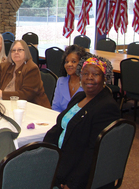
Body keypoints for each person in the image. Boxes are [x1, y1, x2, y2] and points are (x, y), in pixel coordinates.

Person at [44, 55, 120, 189]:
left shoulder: (107, 107)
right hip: (60, 158)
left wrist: (72, 183)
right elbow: (60, 126)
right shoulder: (79, 97)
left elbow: (93, 151)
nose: (89, 77)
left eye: (95, 74)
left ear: (105, 78)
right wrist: (43, 151)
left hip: (76, 172)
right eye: (85, 74)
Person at [0, 40, 50, 108]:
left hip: (33, 108)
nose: (16, 52)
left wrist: (2, 94)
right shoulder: (5, 66)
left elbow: (26, 95)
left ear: (26, 52)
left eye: (20, 50)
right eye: (13, 50)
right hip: (8, 105)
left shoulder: (31, 68)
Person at [52, 45, 87, 112]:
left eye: (73, 61)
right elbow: (55, 107)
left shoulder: (88, 84)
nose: (69, 64)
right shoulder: (61, 81)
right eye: (66, 62)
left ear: (82, 63)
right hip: (60, 119)